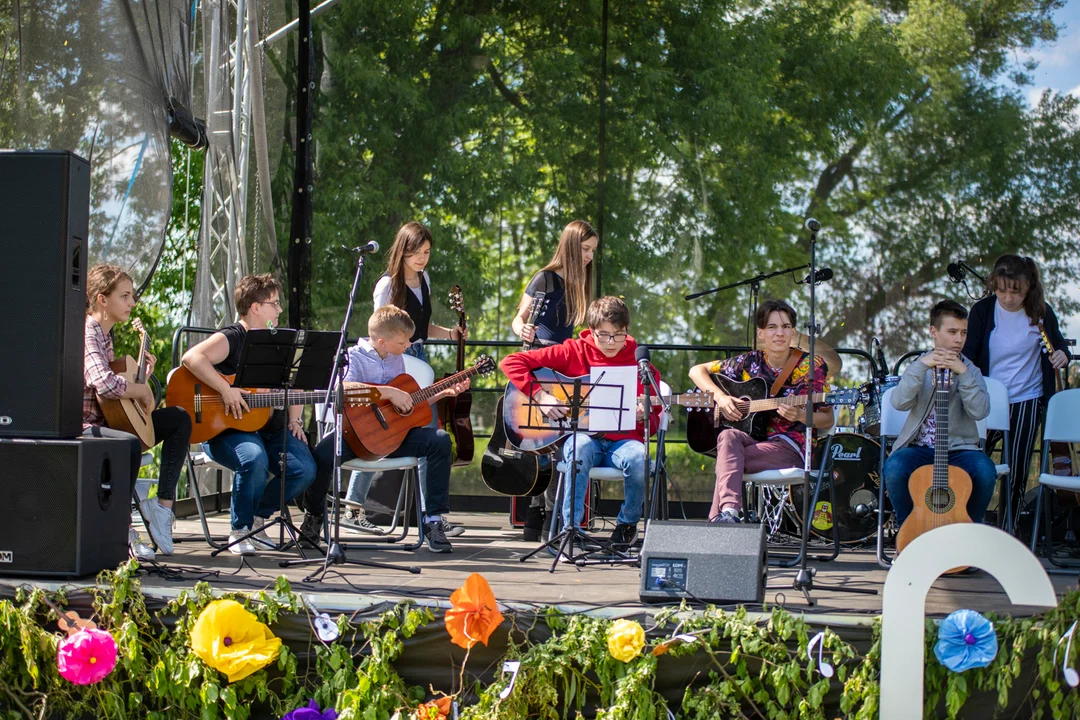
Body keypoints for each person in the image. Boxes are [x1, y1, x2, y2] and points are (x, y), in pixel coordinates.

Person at [500, 296, 660, 550]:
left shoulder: (639, 363)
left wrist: (645, 414)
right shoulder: (574, 350)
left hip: (624, 443)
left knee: (640, 457)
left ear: (626, 330)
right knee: (580, 447)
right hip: (584, 439)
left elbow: (654, 418)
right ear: (592, 330)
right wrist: (541, 396)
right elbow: (511, 362)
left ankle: (627, 525)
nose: (611, 343)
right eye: (604, 335)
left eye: (618, 335)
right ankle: (569, 531)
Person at [306, 305, 470, 553]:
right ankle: (314, 517)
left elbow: (404, 407)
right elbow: (344, 389)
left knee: (439, 440)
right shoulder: (353, 357)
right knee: (321, 456)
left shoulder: (396, 360)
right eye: (403, 342)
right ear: (382, 341)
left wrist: (442, 393)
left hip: (392, 437)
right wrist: (389, 392)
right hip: (356, 436)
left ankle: (432, 521)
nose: (408, 346)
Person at [181, 274, 317, 556]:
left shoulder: (280, 342)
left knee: (305, 469)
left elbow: (296, 385)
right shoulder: (233, 336)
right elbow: (191, 358)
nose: (280, 310)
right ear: (255, 307)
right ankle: (240, 530)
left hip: (269, 427)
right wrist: (225, 389)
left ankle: (258, 517)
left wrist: (294, 419)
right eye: (275, 303)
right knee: (254, 459)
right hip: (224, 430)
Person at [350, 222, 468, 536]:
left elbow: (420, 327)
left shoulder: (424, 280)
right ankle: (354, 504)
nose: (422, 259)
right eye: (416, 252)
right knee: (380, 426)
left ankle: (431, 515)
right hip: (395, 361)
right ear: (403, 250)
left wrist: (449, 333)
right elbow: (381, 329)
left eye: (427, 252)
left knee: (426, 429)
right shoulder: (387, 285)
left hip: (419, 357)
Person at [688, 299, 834, 524]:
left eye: (786, 327)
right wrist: (721, 397)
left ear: (793, 332)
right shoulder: (750, 361)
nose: (780, 333)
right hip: (753, 440)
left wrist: (801, 416)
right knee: (727, 436)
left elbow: (828, 419)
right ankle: (728, 515)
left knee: (728, 461)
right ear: (760, 333)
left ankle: (722, 520)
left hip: (790, 446)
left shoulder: (812, 366)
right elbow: (697, 370)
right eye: (772, 327)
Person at [83, 264, 192, 559]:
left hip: (109, 421)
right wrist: (141, 390)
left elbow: (117, 399)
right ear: (101, 299)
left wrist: (143, 377)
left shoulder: (107, 335)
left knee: (179, 418)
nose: (132, 303)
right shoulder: (88, 333)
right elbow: (102, 383)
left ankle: (162, 508)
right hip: (84, 427)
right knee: (128, 444)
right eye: (125, 296)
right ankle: (122, 527)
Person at [961, 255, 1070, 528]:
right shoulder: (983, 311)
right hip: (986, 399)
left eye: (1015, 291)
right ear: (993, 285)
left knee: (1018, 468)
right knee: (974, 461)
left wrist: (1061, 356)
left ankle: (1007, 528)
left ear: (1028, 287)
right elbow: (968, 356)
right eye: (1001, 290)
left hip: (1027, 398)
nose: (1008, 298)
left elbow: (1059, 346)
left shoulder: (1041, 312)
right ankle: (967, 521)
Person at [509, 219, 598, 540]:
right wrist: (524, 330)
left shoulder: (579, 283)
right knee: (544, 442)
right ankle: (542, 515)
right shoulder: (544, 279)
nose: (589, 256)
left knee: (559, 442)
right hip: (540, 365)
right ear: (571, 247)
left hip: (565, 369)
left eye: (592, 251)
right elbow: (518, 320)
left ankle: (547, 516)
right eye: (585, 249)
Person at [884, 300, 997, 527]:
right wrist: (920, 366)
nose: (959, 339)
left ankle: (967, 530)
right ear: (934, 332)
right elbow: (899, 402)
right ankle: (909, 529)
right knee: (895, 466)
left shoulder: (971, 370)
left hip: (959, 450)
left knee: (985, 470)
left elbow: (980, 411)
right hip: (920, 449)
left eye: (964, 332)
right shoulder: (919, 365)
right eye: (952, 331)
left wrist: (963, 374)